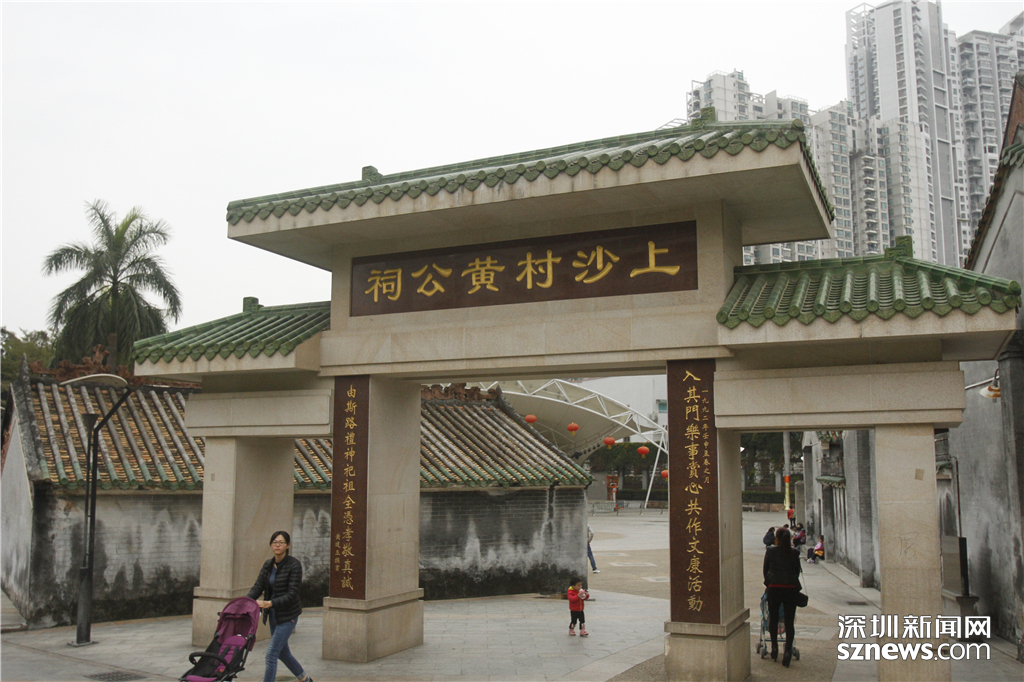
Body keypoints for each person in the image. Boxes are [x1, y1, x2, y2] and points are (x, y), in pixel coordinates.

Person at [247, 531, 313, 682]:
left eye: (281, 542)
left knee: (271, 654)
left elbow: (292, 594)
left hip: (288, 616)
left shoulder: (294, 565)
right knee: (283, 653)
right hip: (274, 615)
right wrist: (244, 602)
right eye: (275, 542)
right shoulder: (268, 565)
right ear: (271, 545)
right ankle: (305, 679)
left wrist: (270, 603)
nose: (277, 545)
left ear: (287, 545)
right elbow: (258, 587)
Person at [763, 527, 802, 667]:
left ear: (777, 538)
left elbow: (765, 570)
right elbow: (796, 572)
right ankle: (787, 651)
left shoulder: (771, 551)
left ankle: (774, 647)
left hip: (774, 588)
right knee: (789, 622)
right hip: (790, 589)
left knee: (773, 618)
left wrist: (769, 583)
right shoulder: (794, 552)